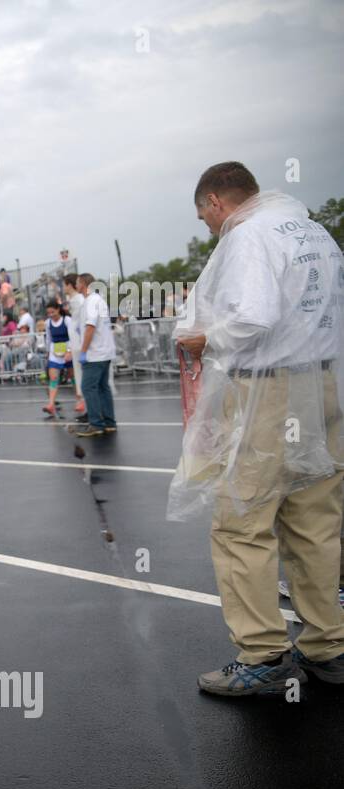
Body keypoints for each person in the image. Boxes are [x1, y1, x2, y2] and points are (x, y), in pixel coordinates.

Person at [169, 162, 344, 694]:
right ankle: (328, 645)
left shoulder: (248, 236)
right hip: (323, 384)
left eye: (205, 218)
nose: (208, 228)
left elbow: (252, 317)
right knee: (314, 520)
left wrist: (203, 340)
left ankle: (263, 652)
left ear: (216, 202)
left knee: (242, 523)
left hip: (268, 393)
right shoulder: (313, 231)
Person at [74, 273, 117, 437]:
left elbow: (90, 327)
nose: (76, 285)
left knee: (88, 387)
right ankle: (109, 422)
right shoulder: (97, 300)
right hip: (105, 351)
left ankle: (96, 424)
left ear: (83, 283)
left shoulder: (91, 301)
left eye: (77, 282)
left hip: (95, 353)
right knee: (102, 387)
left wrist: (83, 351)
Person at [61, 274, 88, 420]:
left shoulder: (78, 300)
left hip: (80, 344)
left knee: (83, 376)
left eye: (64, 284)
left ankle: (88, 409)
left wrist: (73, 348)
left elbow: (80, 325)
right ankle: (85, 406)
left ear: (69, 285)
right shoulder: (74, 300)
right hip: (77, 343)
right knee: (80, 376)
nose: (63, 287)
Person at [41, 303, 72, 416]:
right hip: (55, 351)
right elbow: (48, 338)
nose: (51, 315)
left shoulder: (67, 320)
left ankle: (80, 399)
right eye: (48, 313)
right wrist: (48, 352)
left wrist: (69, 350)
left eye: (52, 312)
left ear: (58, 310)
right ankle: (51, 404)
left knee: (72, 376)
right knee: (53, 377)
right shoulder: (48, 323)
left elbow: (73, 336)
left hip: (68, 349)